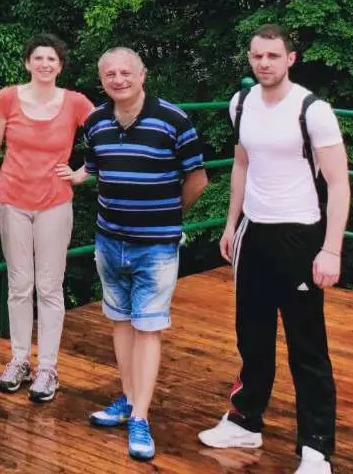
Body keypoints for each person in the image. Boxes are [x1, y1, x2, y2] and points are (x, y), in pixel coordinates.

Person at [198, 24, 350, 474]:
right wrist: (231, 223)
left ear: (290, 59)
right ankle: (246, 419)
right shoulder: (240, 103)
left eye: (273, 56)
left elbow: (339, 183)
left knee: (307, 345)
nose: (264, 63)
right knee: (252, 334)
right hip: (254, 233)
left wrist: (331, 249)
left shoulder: (313, 110)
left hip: (299, 235)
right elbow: (242, 164)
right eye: (257, 56)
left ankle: (317, 447)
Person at [77, 46, 208, 463]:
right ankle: (130, 399)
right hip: (109, 238)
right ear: (102, 80)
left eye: (126, 72)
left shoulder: (173, 119)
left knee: (148, 326)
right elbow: (93, 169)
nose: (119, 79)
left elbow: (198, 179)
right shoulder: (96, 122)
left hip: (156, 244)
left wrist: (169, 216)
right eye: (110, 74)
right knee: (119, 320)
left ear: (142, 75)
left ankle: (141, 417)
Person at [0, 33, 94, 402]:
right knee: (19, 285)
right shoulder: (8, 97)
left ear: (60, 66)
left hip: (54, 202)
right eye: (39, 58)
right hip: (12, 200)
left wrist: (83, 172)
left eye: (52, 59)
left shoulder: (76, 102)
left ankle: (48, 367)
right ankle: (18, 360)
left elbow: (109, 135)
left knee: (49, 286)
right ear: (27, 62)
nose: (45, 65)